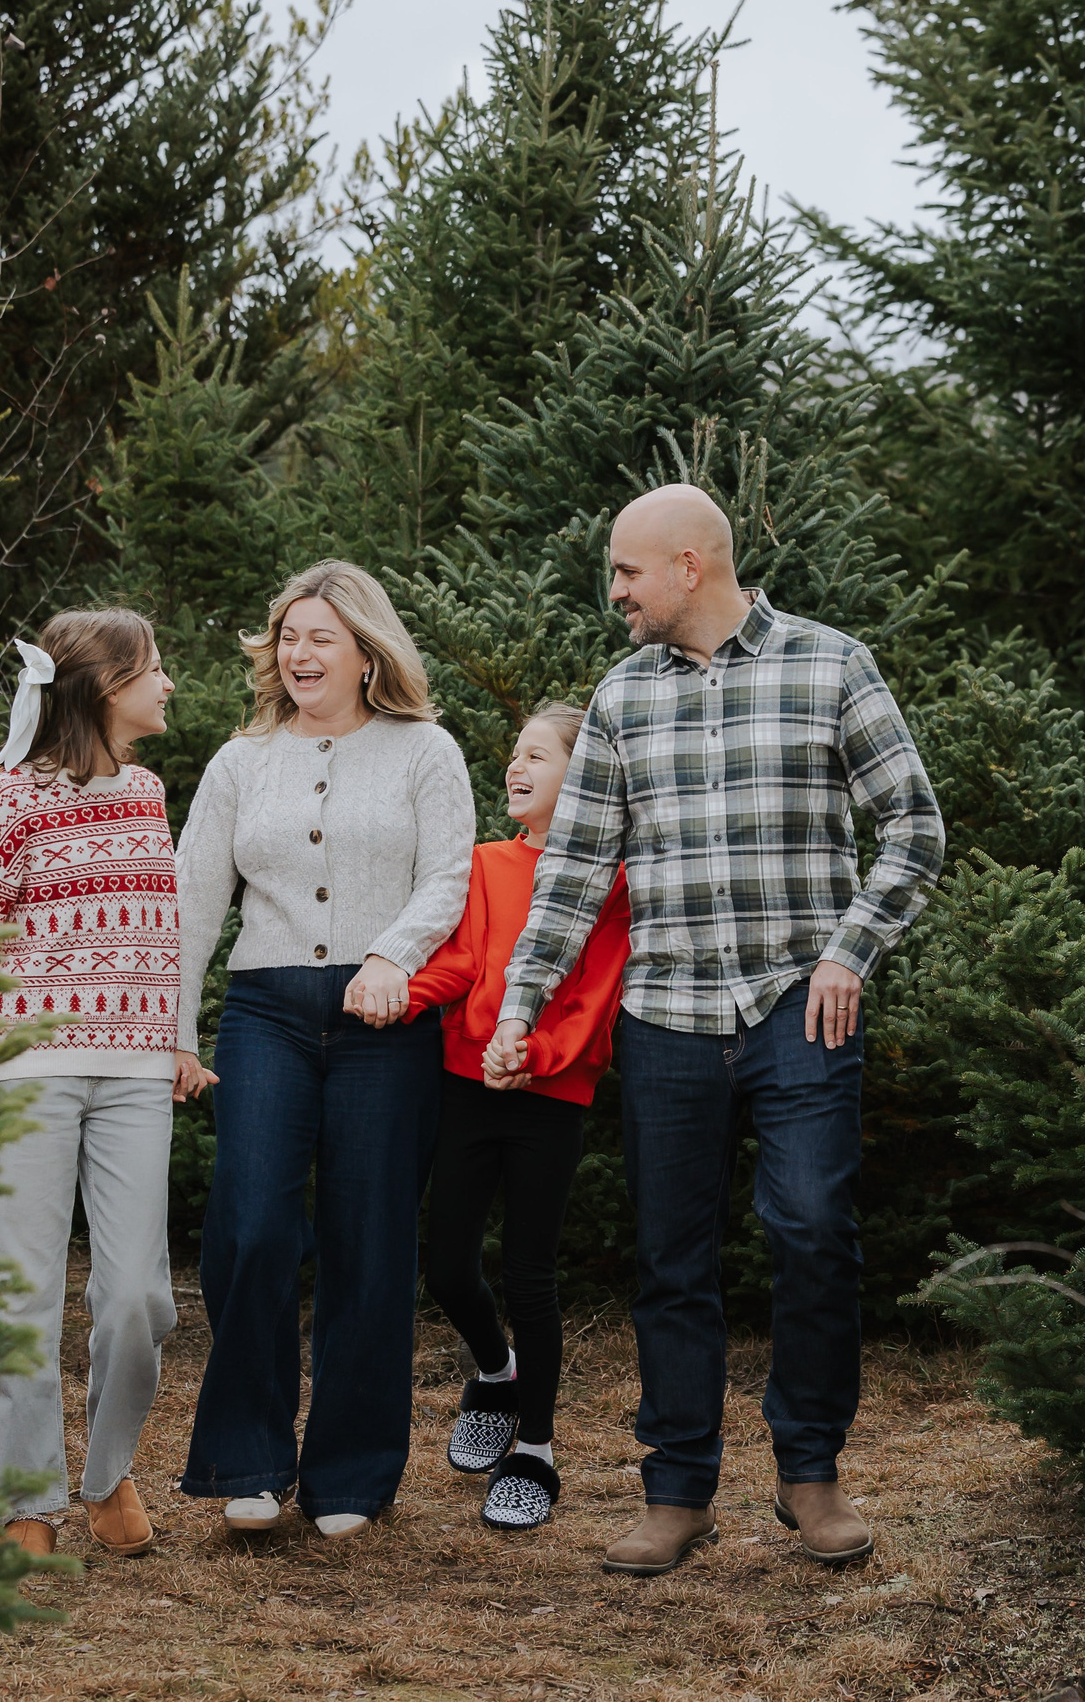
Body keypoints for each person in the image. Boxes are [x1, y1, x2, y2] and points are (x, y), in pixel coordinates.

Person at [489, 483, 946, 1578]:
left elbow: (913, 826)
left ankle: (810, 1475)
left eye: (626, 572)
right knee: (672, 1261)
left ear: (690, 565)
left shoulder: (832, 664)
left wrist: (851, 950)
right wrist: (519, 1006)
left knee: (810, 1229)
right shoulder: (620, 698)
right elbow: (572, 873)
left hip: (801, 1001)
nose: (615, 594)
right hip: (668, 1017)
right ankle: (678, 1489)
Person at [172, 560, 476, 1539]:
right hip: (265, 1012)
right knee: (251, 1229)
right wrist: (174, 1032)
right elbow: (191, 907)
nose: (299, 654)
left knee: (371, 1242)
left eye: (321, 638)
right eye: (288, 637)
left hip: (385, 1023)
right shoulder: (239, 762)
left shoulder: (425, 750)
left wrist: (392, 954)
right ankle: (246, 1460)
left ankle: (351, 1471)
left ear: (364, 650)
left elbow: (448, 880)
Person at [0, 608, 189, 1560]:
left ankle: (108, 1470)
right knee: (22, 1294)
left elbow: (160, 934)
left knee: (137, 1299)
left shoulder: (150, 792)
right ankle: (21, 1503)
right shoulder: (11, 796)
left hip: (133, 1074)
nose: (168, 684)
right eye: (154, 668)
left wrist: (174, 1038)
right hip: (32, 1069)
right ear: (102, 683)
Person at [406, 703, 631, 1533]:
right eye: (513, 753)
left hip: (552, 1095)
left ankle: (534, 1447)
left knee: (531, 1274)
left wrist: (533, 1053)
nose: (515, 765)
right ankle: (495, 1370)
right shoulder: (484, 863)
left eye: (536, 754)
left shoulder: (610, 880)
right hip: (467, 1082)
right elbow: (461, 960)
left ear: (583, 775)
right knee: (447, 1263)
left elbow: (597, 993)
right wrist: (392, 996)